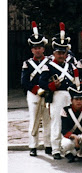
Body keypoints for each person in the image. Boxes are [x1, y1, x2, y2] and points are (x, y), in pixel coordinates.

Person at [38, 23, 77, 160]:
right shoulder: (48, 66)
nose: (61, 55)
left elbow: (76, 80)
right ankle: (55, 149)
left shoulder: (71, 65)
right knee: (56, 122)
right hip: (57, 95)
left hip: (70, 95)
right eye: (59, 52)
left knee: (70, 122)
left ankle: (67, 148)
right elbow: (41, 82)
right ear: (54, 53)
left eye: (63, 52)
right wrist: (52, 86)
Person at [21, 21, 51, 157]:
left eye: (39, 47)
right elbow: (24, 82)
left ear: (43, 48)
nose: (37, 50)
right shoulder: (27, 63)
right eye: (35, 48)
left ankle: (48, 145)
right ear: (32, 49)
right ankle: (33, 146)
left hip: (48, 94)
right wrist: (37, 90)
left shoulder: (50, 62)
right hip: (34, 94)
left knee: (47, 120)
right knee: (34, 120)